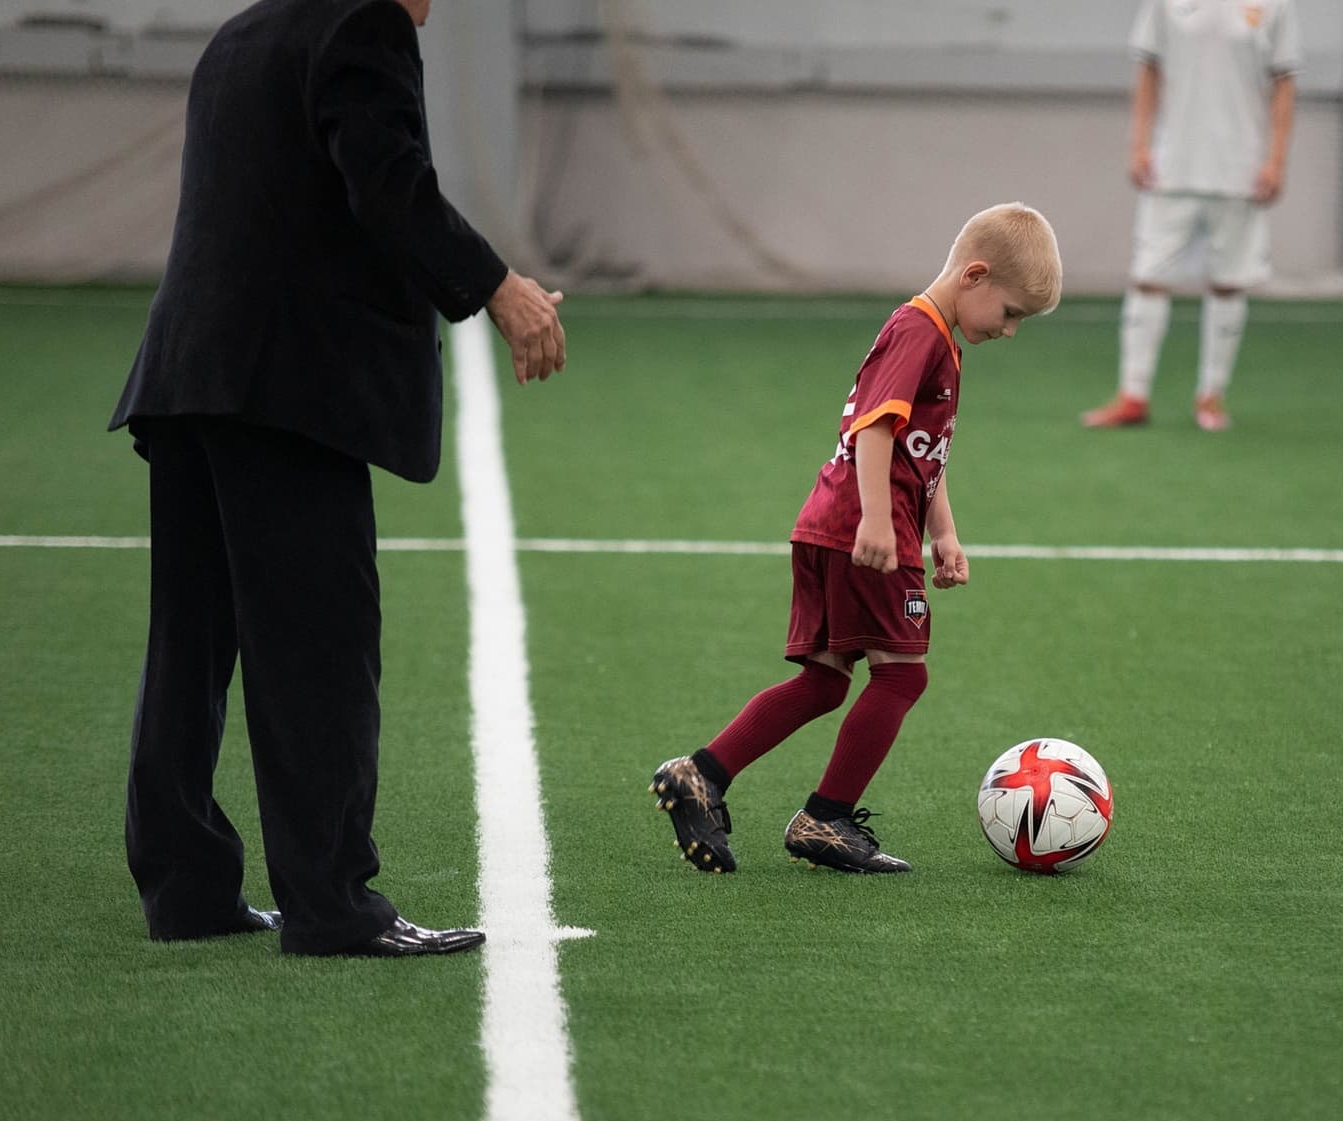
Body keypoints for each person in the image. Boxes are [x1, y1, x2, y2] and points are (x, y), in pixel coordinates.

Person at [108, 0, 569, 955]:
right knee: (320, 652)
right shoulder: (363, 26)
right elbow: (387, 183)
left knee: (191, 642)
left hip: (192, 375)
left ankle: (187, 888)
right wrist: (497, 287)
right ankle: (332, 904)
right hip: (286, 390)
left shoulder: (243, 33)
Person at [650, 204, 1063, 874]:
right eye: (1010, 312)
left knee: (825, 681)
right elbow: (874, 429)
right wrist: (878, 519)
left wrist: (946, 535)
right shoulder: (920, 331)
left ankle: (700, 776)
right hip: (862, 528)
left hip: (835, 522)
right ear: (974, 275)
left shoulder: (940, 337)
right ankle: (826, 818)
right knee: (901, 676)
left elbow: (923, 453)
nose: (1010, 330)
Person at [1082, 0, 1299, 432]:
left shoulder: (1276, 6)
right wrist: (1139, 145)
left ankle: (1211, 398)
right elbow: (1148, 70)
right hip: (1173, 166)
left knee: (1228, 284)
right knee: (1148, 276)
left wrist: (1275, 160)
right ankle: (1133, 395)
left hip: (1241, 169)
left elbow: (1284, 83)